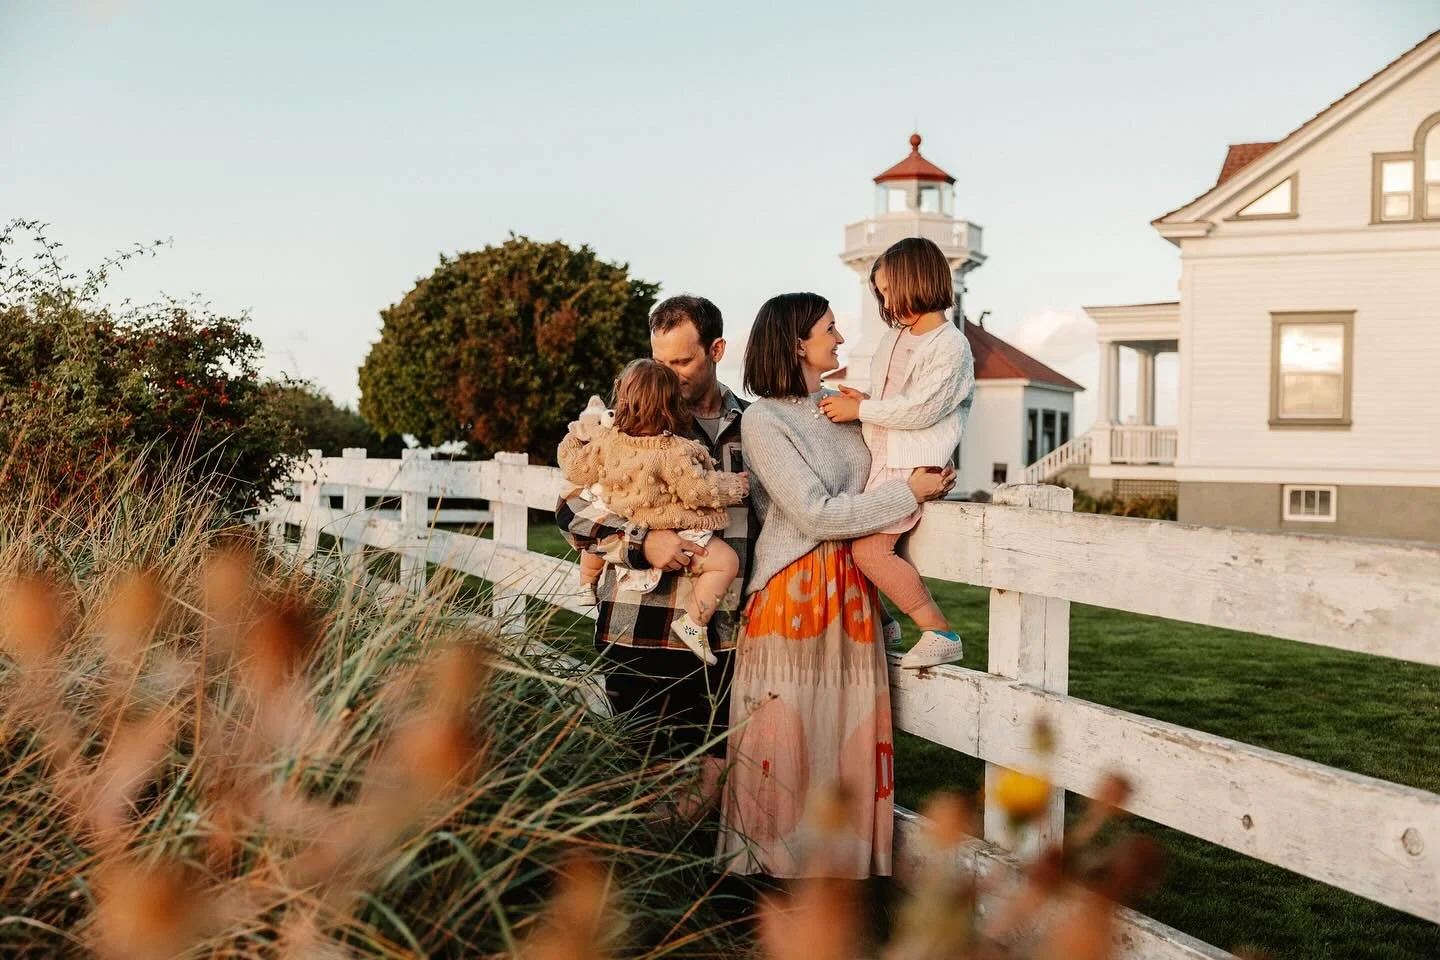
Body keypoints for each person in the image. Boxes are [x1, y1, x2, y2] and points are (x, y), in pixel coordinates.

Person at [716, 292, 954, 879]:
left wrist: (930, 474)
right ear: (797, 341)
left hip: (851, 594)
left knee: (843, 740)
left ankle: (839, 878)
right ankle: (770, 878)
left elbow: (894, 458)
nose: (840, 338)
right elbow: (815, 513)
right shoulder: (764, 418)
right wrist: (908, 495)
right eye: (829, 329)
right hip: (795, 593)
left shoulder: (841, 406)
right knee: (788, 740)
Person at [555, 295, 748, 811]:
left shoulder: (751, 428)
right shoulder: (625, 425)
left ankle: (697, 876)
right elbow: (571, 510)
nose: (670, 375)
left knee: (717, 766)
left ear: (717, 351)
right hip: (639, 626)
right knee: (643, 767)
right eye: (660, 362)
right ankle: (639, 874)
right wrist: (644, 543)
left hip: (723, 632)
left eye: (682, 362)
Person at [819, 236, 973, 670]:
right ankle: (884, 622)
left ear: (917, 281)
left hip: (911, 465)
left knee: (870, 552)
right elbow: (895, 398)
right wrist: (863, 398)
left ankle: (939, 630)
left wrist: (862, 408)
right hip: (882, 459)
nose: (885, 300)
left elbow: (924, 408)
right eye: (881, 291)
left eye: (889, 289)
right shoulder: (894, 338)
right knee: (849, 544)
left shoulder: (949, 346)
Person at [557, 360, 749, 665]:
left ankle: (586, 584)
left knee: (599, 517)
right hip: (669, 532)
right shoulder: (673, 450)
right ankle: (693, 623)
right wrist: (736, 486)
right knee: (725, 562)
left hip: (623, 512)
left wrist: (577, 434)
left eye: (682, 360)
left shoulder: (606, 442)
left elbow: (574, 467)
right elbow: (698, 489)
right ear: (672, 407)